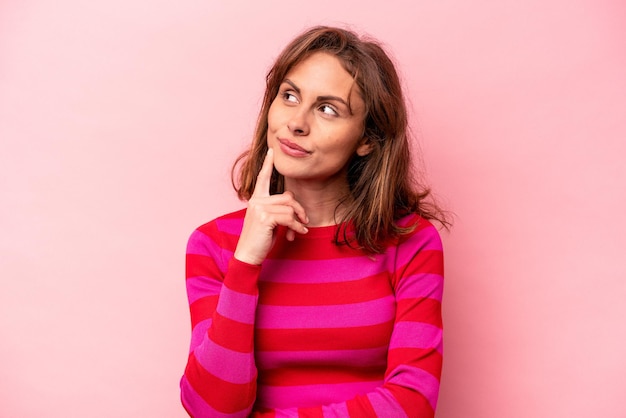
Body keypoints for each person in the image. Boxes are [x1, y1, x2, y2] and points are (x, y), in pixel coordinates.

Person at [180, 25, 448, 417]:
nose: (297, 122)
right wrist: (246, 262)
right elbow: (211, 409)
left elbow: (412, 403)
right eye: (289, 96)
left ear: (367, 138)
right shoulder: (213, 244)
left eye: (327, 109)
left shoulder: (410, 241)